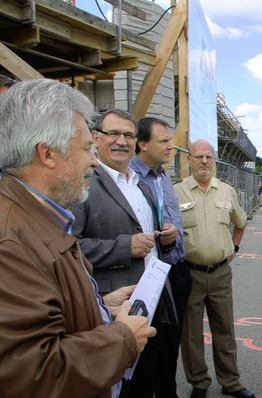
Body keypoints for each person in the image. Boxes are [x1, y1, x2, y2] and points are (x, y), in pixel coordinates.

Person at [0, 78, 156, 397]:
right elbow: (32, 372)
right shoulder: (10, 242)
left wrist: (97, 305)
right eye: (86, 147)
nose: (93, 160)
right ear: (48, 154)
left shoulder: (37, 217)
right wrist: (122, 338)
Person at [70, 108, 178, 398]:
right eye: (113, 133)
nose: (121, 141)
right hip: (115, 309)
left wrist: (165, 238)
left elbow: (149, 240)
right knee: (123, 388)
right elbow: (70, 247)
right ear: (95, 137)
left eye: (128, 135)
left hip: (154, 301)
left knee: (149, 381)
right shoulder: (84, 183)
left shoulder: (140, 183)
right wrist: (124, 247)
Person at [174, 139, 255, 398]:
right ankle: (199, 382)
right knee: (191, 334)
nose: (204, 161)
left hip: (220, 273)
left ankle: (231, 382)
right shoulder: (177, 192)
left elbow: (240, 222)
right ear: (189, 159)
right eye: (198, 156)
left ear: (214, 160)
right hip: (190, 272)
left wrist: (234, 248)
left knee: (225, 330)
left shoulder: (226, 191)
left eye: (208, 157)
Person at [130, 116, 192, 397]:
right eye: (164, 141)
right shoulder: (129, 177)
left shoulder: (164, 176)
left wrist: (173, 232)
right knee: (148, 349)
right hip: (149, 275)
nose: (172, 147)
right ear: (142, 144)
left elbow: (174, 218)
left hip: (176, 269)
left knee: (170, 344)